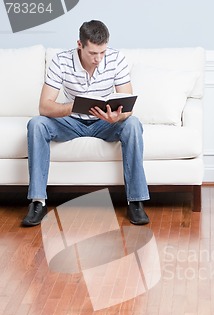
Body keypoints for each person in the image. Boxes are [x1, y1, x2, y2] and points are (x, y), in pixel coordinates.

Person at [22, 19, 150, 227]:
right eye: (93, 53)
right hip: (71, 121)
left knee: (133, 124)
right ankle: (38, 202)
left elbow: (128, 107)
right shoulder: (61, 61)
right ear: (79, 45)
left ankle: (135, 201)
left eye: (102, 52)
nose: (98, 59)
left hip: (105, 123)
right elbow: (44, 107)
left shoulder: (116, 59)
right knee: (37, 124)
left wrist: (117, 117)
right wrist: (73, 106)